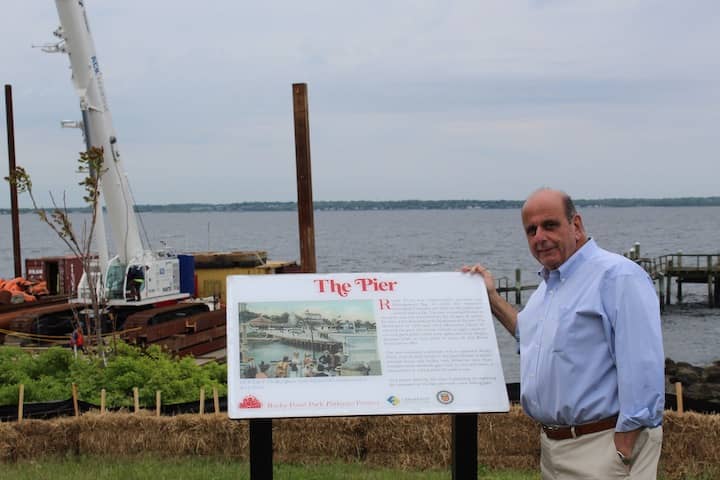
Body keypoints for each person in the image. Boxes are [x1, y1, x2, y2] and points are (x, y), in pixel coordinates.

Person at [462, 188, 664, 479]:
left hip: (602, 447)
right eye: (531, 230)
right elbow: (529, 337)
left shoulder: (618, 276)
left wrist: (624, 445)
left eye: (550, 225)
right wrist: (492, 299)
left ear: (577, 225)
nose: (539, 237)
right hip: (554, 448)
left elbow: (643, 364)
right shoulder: (549, 286)